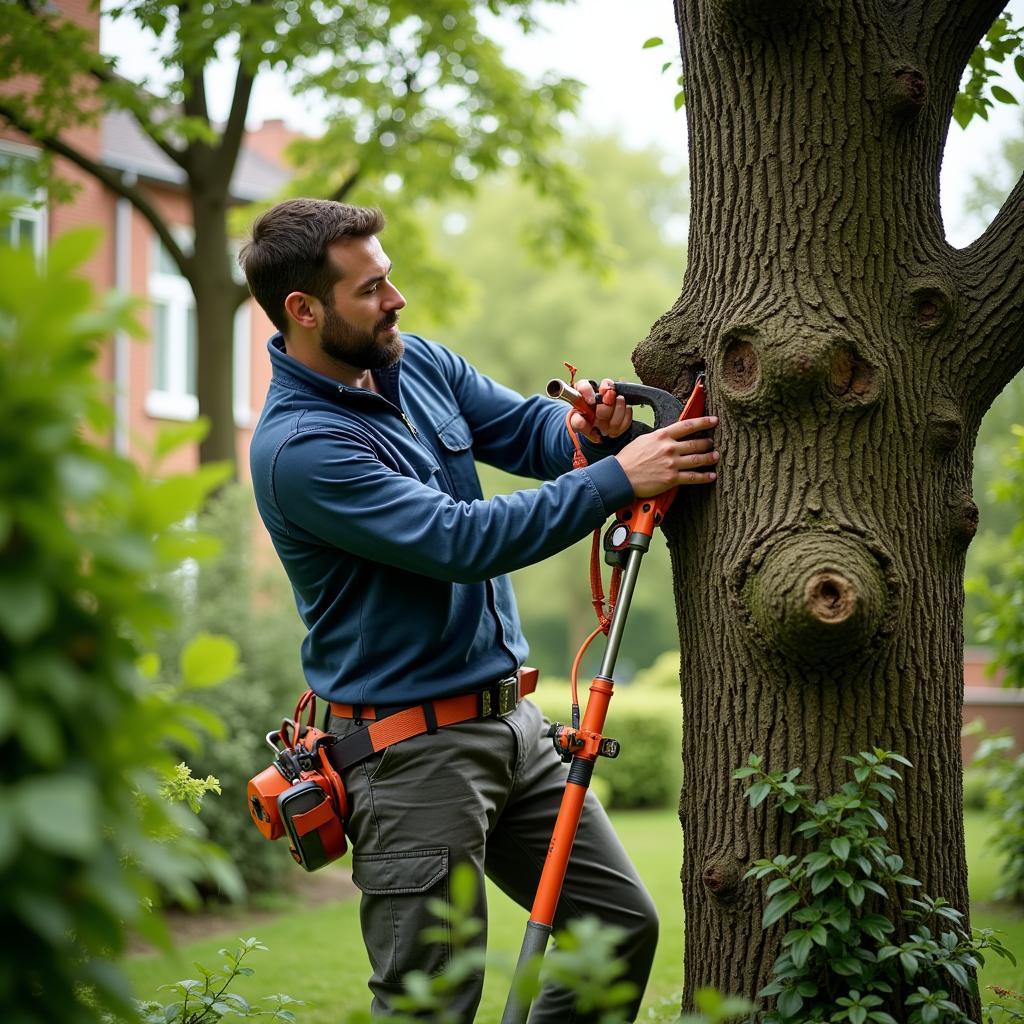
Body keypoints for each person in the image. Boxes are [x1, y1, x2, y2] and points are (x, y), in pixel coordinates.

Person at [240, 198, 719, 1022]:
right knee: (434, 1001)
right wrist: (618, 477)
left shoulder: (415, 363)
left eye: (389, 278)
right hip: (412, 758)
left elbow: (531, 432)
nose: (396, 300)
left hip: (514, 725)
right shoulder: (301, 451)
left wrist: (592, 433)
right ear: (304, 310)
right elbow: (460, 540)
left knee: (615, 927)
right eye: (371, 289)